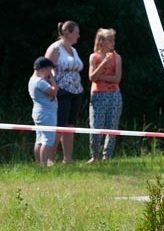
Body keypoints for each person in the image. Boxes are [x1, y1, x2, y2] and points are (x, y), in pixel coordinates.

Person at [45, 20, 84, 163]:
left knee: (70, 125)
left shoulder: (73, 50)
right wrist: (53, 88)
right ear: (67, 33)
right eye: (76, 33)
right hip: (62, 91)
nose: (78, 36)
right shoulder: (55, 48)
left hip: (76, 91)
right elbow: (45, 69)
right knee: (60, 125)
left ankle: (68, 158)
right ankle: (49, 158)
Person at [87, 28, 123, 162]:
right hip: (98, 94)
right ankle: (94, 156)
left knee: (112, 126)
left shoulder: (117, 57)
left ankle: (106, 156)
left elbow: (117, 78)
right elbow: (92, 77)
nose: (113, 43)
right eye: (110, 40)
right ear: (101, 41)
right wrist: (103, 63)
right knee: (95, 125)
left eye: (114, 40)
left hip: (114, 94)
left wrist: (100, 77)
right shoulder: (94, 56)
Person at [28, 56, 58, 166]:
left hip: (39, 112)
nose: (50, 73)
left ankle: (39, 164)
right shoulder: (40, 82)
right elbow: (53, 92)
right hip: (46, 114)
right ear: (43, 69)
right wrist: (52, 80)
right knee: (47, 140)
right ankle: (43, 165)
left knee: (40, 139)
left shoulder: (32, 80)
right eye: (50, 70)